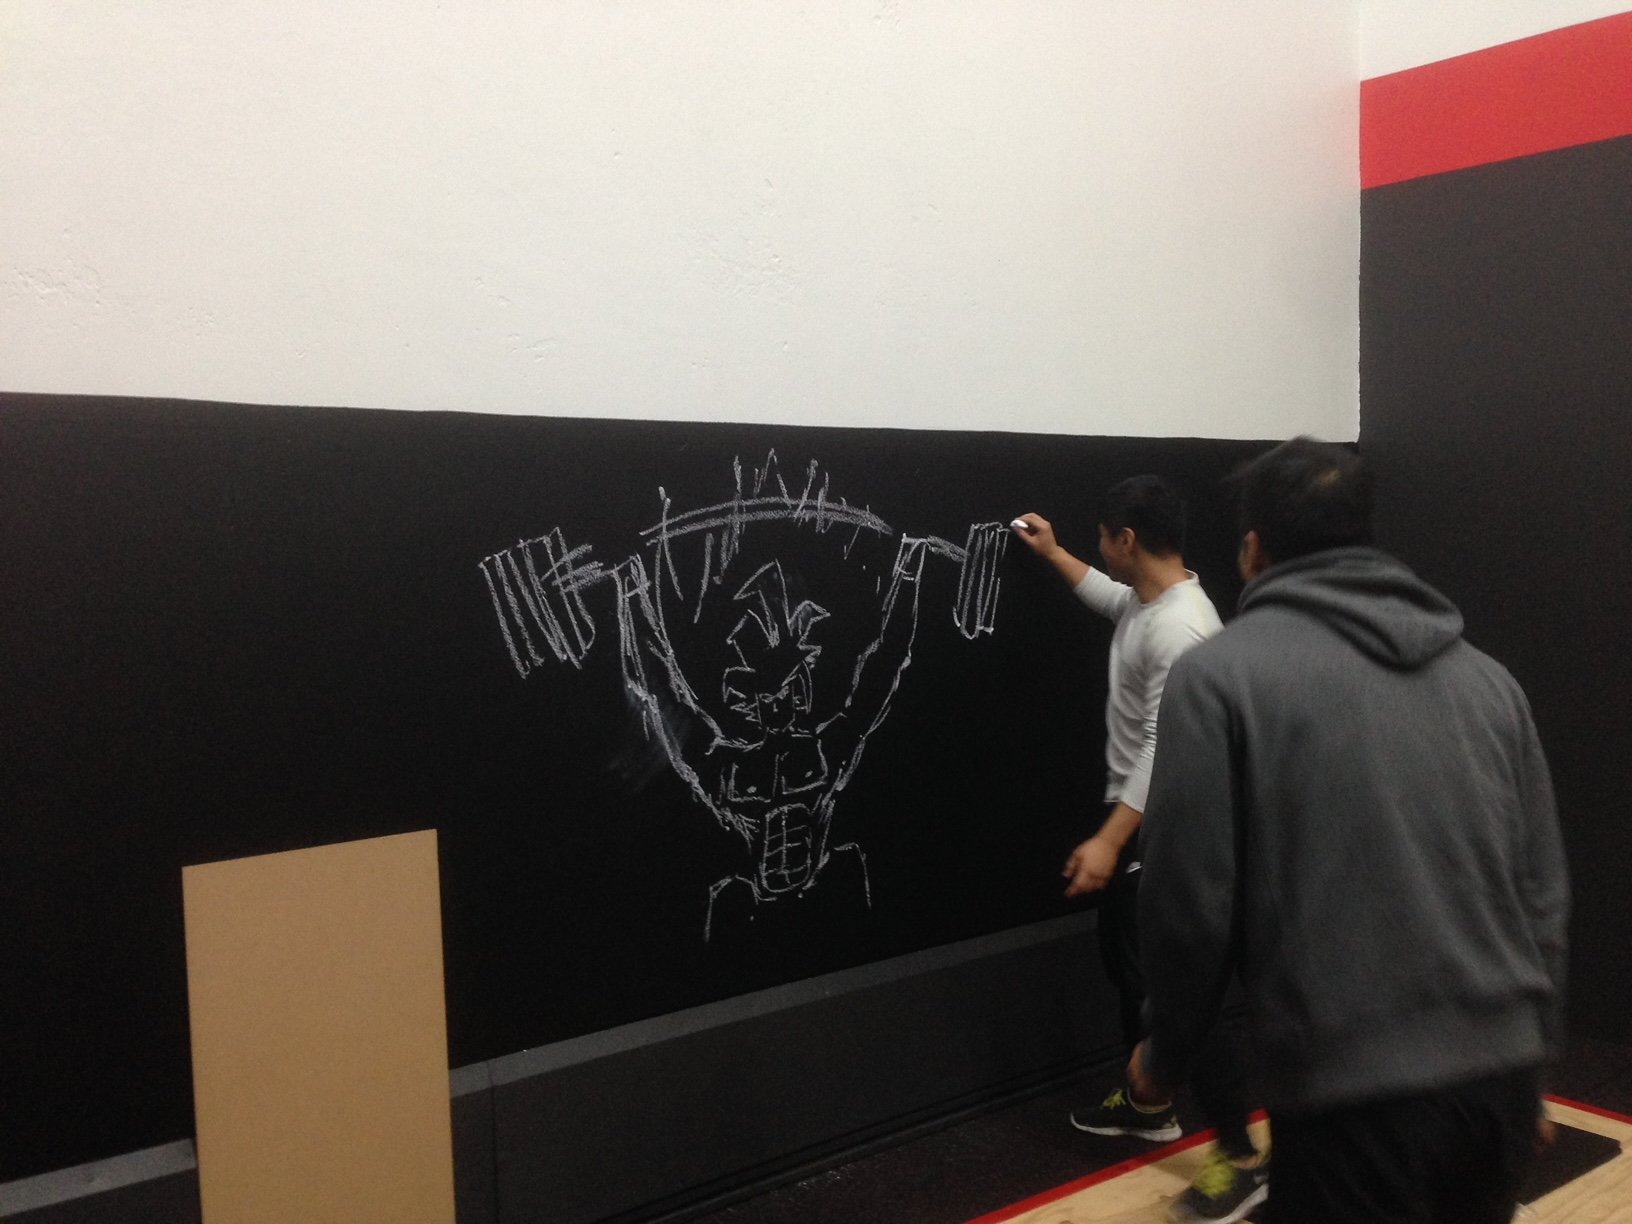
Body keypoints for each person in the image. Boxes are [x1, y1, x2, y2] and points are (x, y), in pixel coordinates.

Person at [1127, 437, 1569, 1222]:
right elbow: (1541, 897)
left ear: (1253, 549)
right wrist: (1533, 1068)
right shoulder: (1490, 682)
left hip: (1353, 1104)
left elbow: (1189, 905)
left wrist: (1165, 1055)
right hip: (1500, 1085)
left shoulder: (1220, 677)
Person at [1013, 477, 1267, 1224]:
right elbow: (1107, 597)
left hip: (1174, 826)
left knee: (1185, 993)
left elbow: (1164, 748)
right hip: (1145, 821)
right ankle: (1149, 1102)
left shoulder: (1183, 628)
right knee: (1131, 964)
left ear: (1127, 539)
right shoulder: (1147, 601)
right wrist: (1054, 553)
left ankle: (1240, 1157)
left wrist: (1109, 840)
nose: (1099, 548)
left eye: (1101, 537)